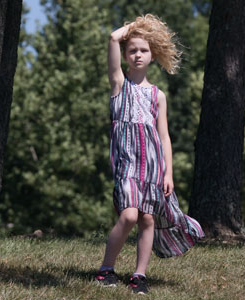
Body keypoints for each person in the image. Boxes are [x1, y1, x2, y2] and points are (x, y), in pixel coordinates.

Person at [95, 14, 205, 295]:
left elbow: (164, 137)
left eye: (143, 50)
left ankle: (139, 275)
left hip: (153, 166)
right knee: (129, 215)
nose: (137, 55)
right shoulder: (119, 84)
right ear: (125, 55)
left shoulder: (158, 95)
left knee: (147, 219)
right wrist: (138, 27)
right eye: (132, 50)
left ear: (153, 55)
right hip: (127, 164)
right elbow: (112, 37)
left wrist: (169, 172)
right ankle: (107, 268)